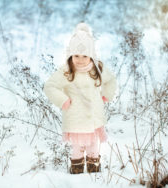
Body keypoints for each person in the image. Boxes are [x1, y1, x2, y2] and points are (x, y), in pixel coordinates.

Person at [43, 23, 117, 174]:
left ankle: (94, 172)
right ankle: (76, 172)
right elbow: (50, 86)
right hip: (76, 118)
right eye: (76, 55)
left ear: (91, 54)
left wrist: (106, 94)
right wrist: (62, 99)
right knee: (77, 148)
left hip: (94, 119)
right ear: (70, 54)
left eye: (84, 56)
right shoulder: (67, 71)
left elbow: (111, 81)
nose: (80, 60)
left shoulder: (98, 69)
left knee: (93, 147)